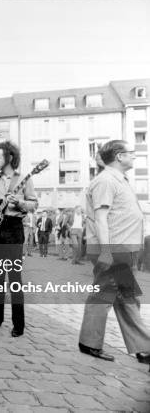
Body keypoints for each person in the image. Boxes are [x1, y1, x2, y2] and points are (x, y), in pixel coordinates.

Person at [78, 140, 150, 366]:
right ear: (119, 156)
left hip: (122, 248)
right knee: (104, 294)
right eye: (131, 153)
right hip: (113, 249)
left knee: (127, 297)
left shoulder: (117, 179)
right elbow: (100, 219)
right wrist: (106, 252)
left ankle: (143, 348)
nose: (134, 156)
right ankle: (89, 342)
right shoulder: (106, 181)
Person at [0, 141, 37, 338]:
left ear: (9, 158)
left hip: (14, 229)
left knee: (14, 279)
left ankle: (18, 324)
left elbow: (33, 204)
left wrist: (19, 203)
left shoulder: (25, 179)